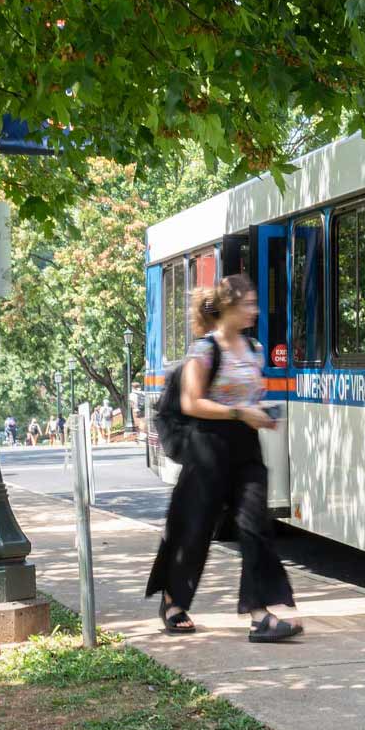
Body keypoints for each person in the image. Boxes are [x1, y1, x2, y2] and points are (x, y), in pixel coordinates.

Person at [147, 274, 303, 642]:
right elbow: (191, 403)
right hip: (208, 446)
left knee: (255, 526)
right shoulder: (204, 351)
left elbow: (248, 394)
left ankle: (260, 615)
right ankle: (173, 601)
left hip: (246, 446)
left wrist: (259, 413)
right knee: (194, 527)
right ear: (229, 306)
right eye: (249, 303)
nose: (255, 310)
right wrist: (239, 413)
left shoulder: (255, 348)